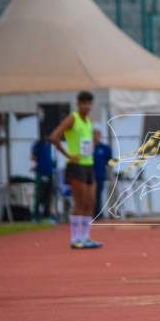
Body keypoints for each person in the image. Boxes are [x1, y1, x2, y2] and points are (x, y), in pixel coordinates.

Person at [49, 91, 103, 249]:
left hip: (89, 164)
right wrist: (68, 155)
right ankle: (75, 238)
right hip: (76, 165)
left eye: (89, 103)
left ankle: (86, 237)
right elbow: (54, 137)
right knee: (79, 201)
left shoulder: (89, 122)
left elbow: (89, 141)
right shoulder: (73, 118)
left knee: (91, 201)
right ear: (78, 104)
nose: (87, 106)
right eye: (84, 103)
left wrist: (95, 141)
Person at [30, 134, 56, 223]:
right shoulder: (38, 144)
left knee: (49, 194)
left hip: (50, 172)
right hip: (41, 172)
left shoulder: (50, 144)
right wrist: (41, 162)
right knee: (40, 193)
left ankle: (46, 214)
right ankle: (36, 215)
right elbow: (33, 157)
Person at [92, 128, 113, 219]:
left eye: (97, 135)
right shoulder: (88, 147)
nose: (95, 137)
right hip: (89, 175)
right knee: (90, 195)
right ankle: (90, 213)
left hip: (100, 174)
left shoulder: (104, 148)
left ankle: (98, 214)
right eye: (93, 135)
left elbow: (110, 160)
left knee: (98, 194)